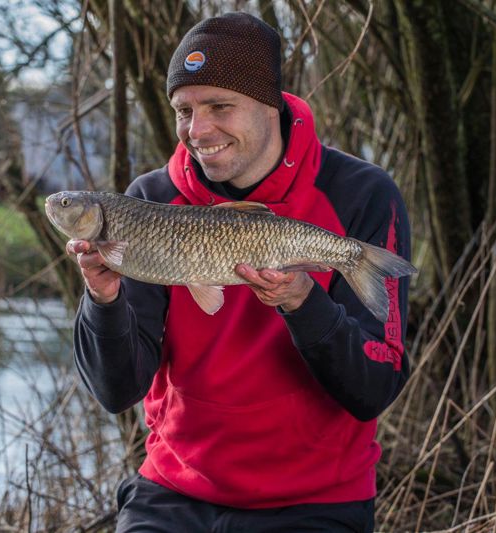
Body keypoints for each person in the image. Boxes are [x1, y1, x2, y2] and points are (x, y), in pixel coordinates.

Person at [66, 12, 411, 532]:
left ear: (270, 105)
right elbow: (117, 391)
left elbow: (375, 387)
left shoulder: (360, 194)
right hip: (174, 489)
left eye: (219, 106)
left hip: (314, 500)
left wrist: (303, 302)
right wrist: (103, 298)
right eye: (184, 110)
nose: (197, 131)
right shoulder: (149, 203)